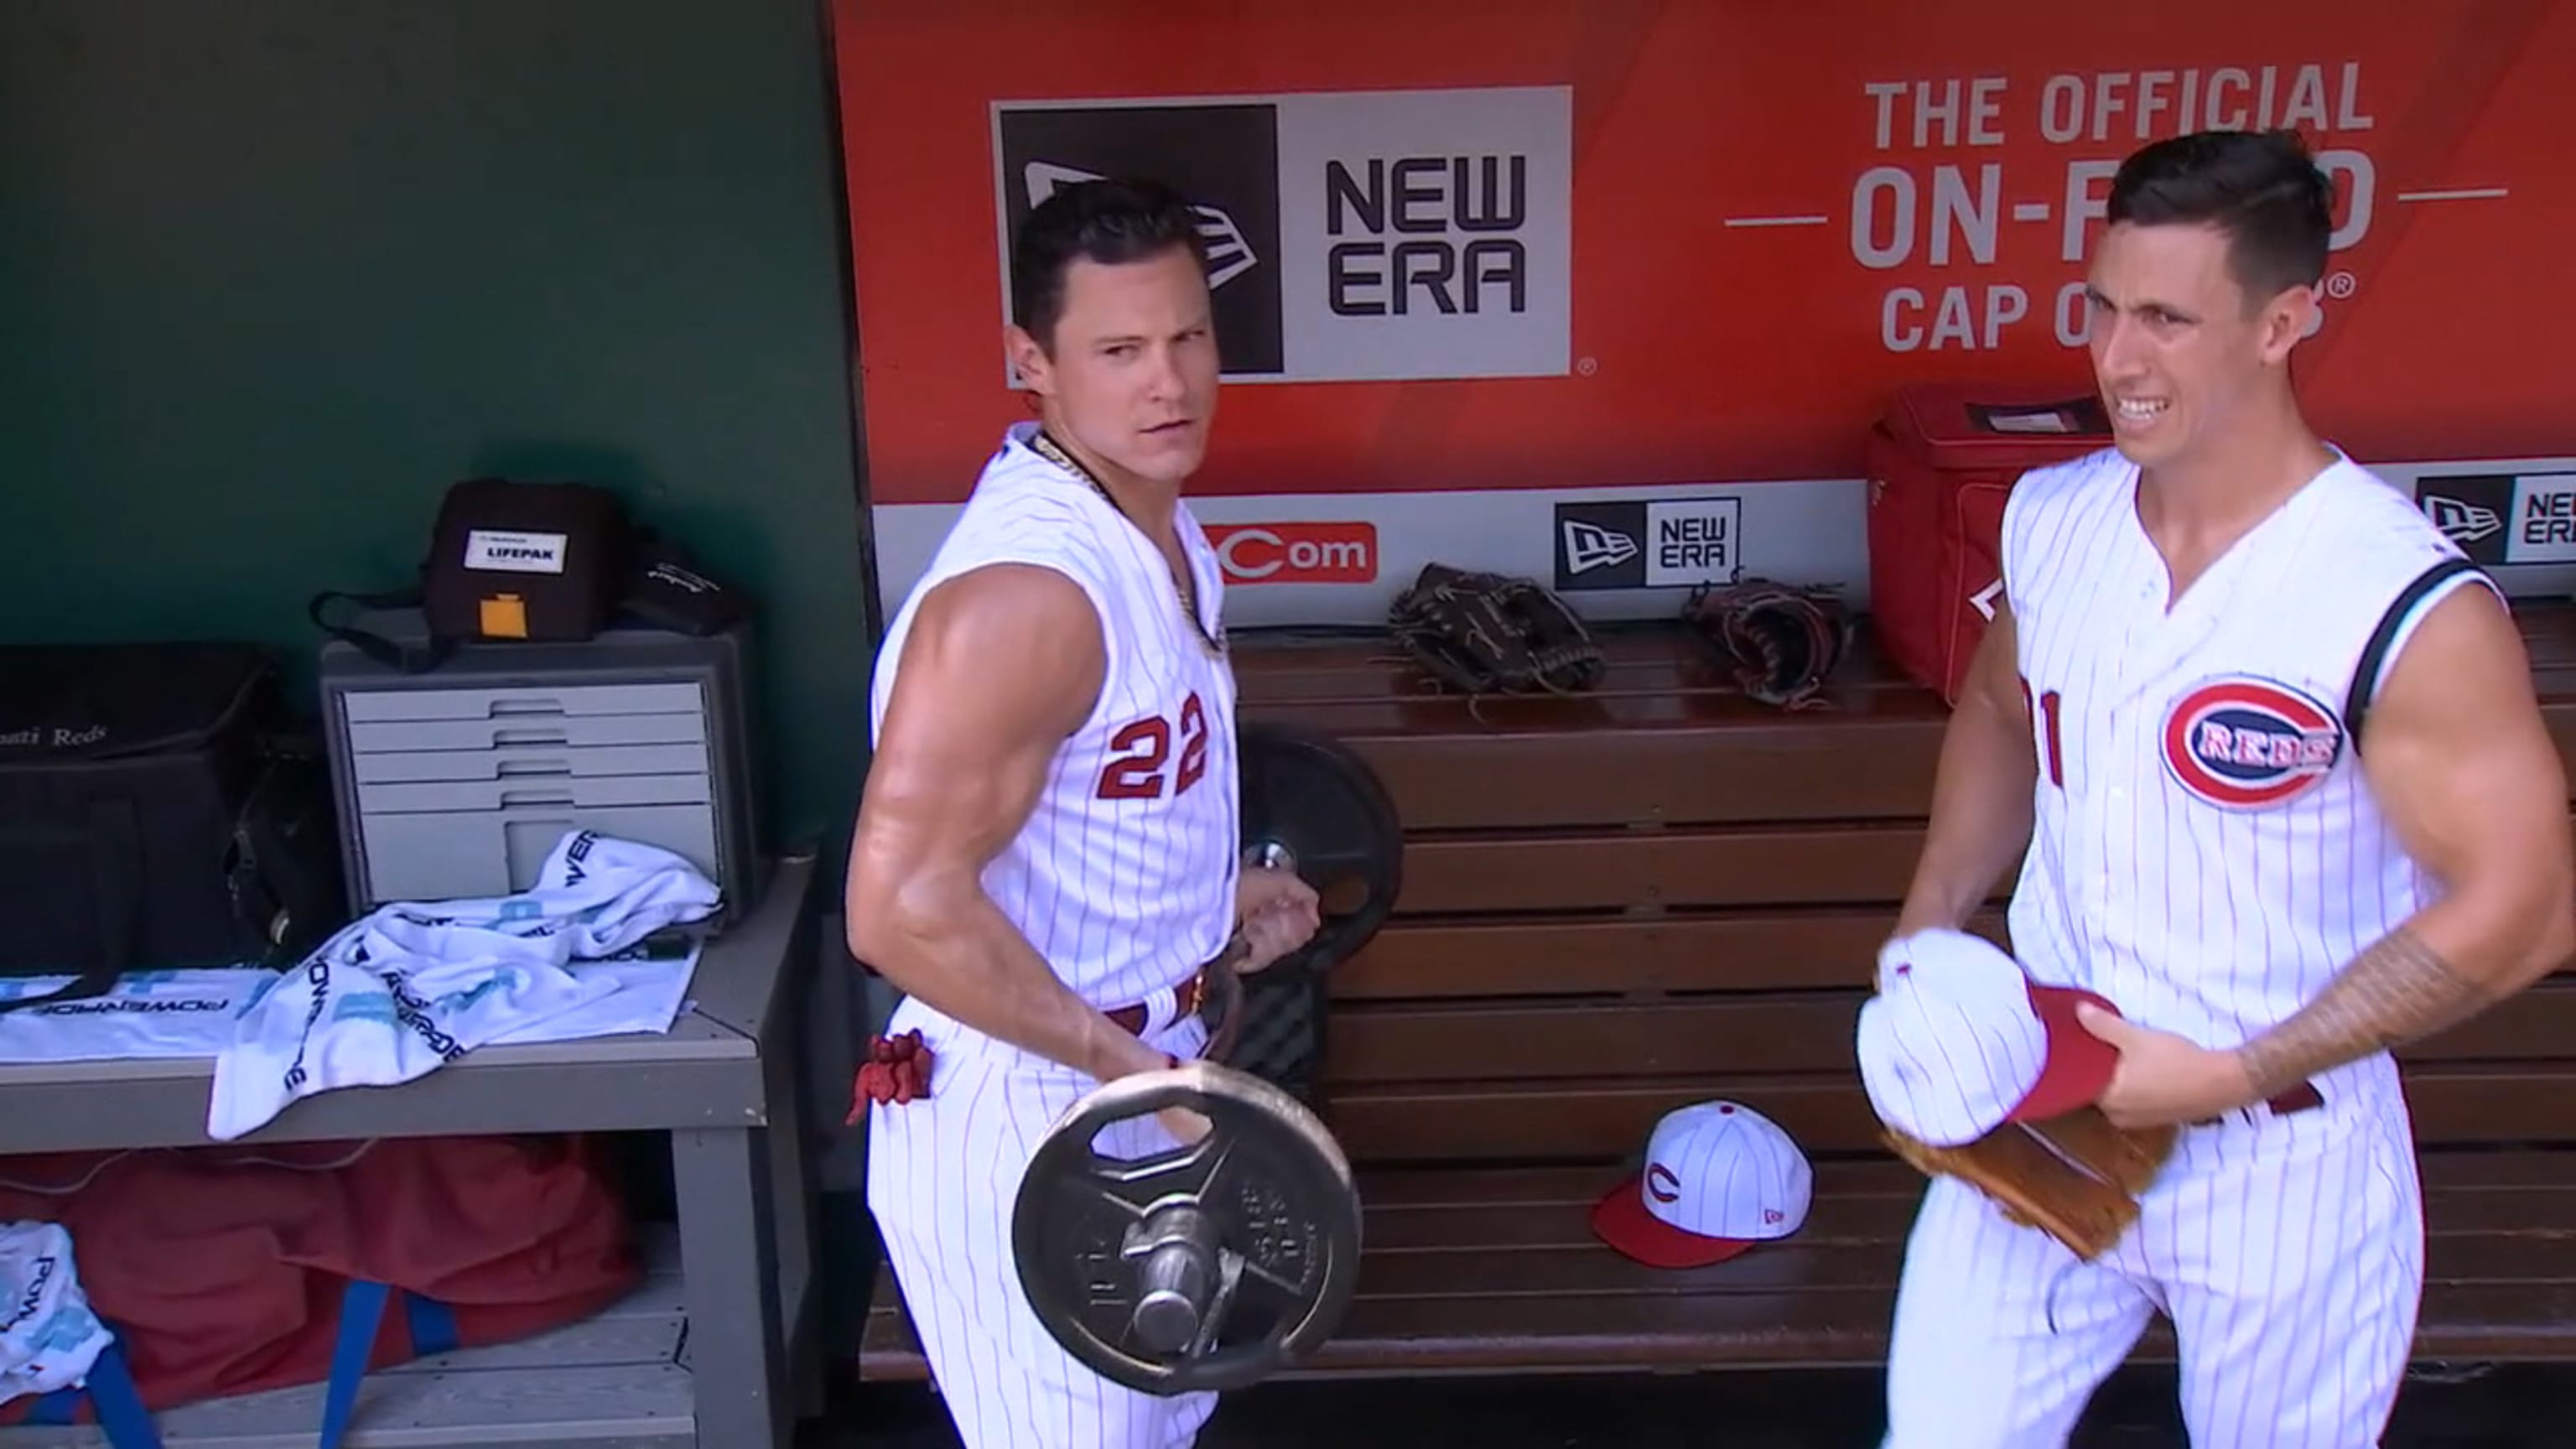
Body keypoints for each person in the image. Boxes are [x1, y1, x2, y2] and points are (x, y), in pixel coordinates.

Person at [1875, 127, 2576, 1446]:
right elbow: (2000, 706)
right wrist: (1933, 913)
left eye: (2166, 320)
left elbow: (2529, 908)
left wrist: (2239, 1068)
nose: (2116, 360)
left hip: (2281, 1147)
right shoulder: (2057, 518)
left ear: (2284, 320)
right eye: (2100, 306)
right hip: (2048, 1098)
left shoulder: (2395, 597)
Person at [843, 177, 1322, 1449]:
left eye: (1188, 339)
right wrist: (1137, 1076)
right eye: (1117, 351)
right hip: (1026, 1106)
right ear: (1031, 362)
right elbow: (898, 910)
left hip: (1137, 1076)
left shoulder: (1159, 528)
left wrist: (1203, 914)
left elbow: (1066, 827)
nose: (1167, 383)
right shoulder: (1026, 596)